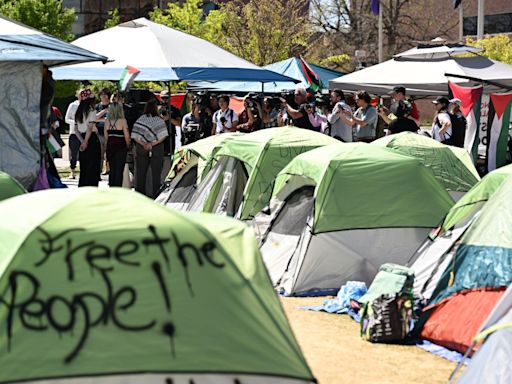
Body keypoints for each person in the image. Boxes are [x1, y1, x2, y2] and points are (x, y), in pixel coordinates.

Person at [131, 99, 169, 197]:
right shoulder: (159, 120)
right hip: (156, 148)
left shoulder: (141, 119)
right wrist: (152, 144)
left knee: (141, 172)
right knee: (156, 172)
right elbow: (163, 136)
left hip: (141, 147)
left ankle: (140, 194)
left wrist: (144, 143)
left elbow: (135, 135)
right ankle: (156, 194)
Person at [96, 102, 130, 187]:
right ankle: (118, 187)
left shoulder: (107, 121)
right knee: (119, 169)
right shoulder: (123, 121)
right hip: (121, 146)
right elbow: (126, 135)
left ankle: (112, 186)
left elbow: (106, 136)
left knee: (112, 168)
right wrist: (128, 145)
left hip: (110, 146)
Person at [75, 89, 102, 187]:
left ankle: (83, 186)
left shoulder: (78, 111)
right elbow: (90, 128)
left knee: (84, 166)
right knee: (93, 165)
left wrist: (82, 142)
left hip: (81, 138)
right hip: (91, 139)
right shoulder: (92, 110)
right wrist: (86, 142)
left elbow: (76, 129)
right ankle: (92, 187)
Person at [65, 90, 83, 179]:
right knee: (74, 154)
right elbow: (67, 119)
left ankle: (83, 172)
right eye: (81, 94)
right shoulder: (73, 105)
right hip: (74, 133)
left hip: (84, 133)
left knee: (84, 154)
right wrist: (75, 122)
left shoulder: (87, 106)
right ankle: (72, 171)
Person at [95, 88, 111, 174]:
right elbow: (94, 118)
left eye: (105, 94)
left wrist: (100, 119)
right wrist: (104, 111)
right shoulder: (97, 106)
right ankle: (99, 170)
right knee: (100, 152)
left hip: (110, 132)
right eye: (102, 95)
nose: (104, 96)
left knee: (109, 152)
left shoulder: (112, 106)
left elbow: (113, 119)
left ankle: (108, 169)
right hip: (99, 132)